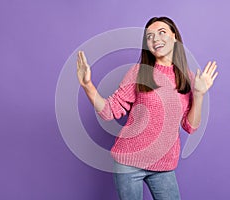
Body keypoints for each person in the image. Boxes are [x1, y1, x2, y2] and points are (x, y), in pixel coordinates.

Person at [77, 16, 218, 200]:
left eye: (162, 33)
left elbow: (190, 126)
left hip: (164, 166)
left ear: (174, 37)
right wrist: (88, 84)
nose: (155, 39)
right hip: (129, 163)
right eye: (149, 36)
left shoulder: (188, 78)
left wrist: (199, 94)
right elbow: (109, 111)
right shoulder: (139, 72)